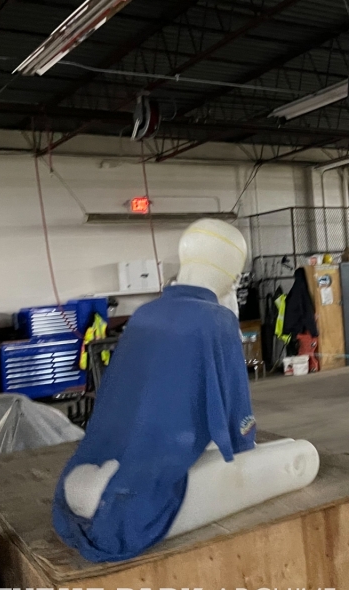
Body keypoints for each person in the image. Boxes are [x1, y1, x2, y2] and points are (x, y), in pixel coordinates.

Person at [53, 219, 319, 562]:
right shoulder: (216, 320)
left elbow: (115, 395)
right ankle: (121, 495)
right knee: (300, 455)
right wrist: (244, 450)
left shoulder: (146, 314)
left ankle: (105, 485)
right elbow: (237, 412)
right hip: (174, 450)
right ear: (231, 273)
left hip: (118, 449)